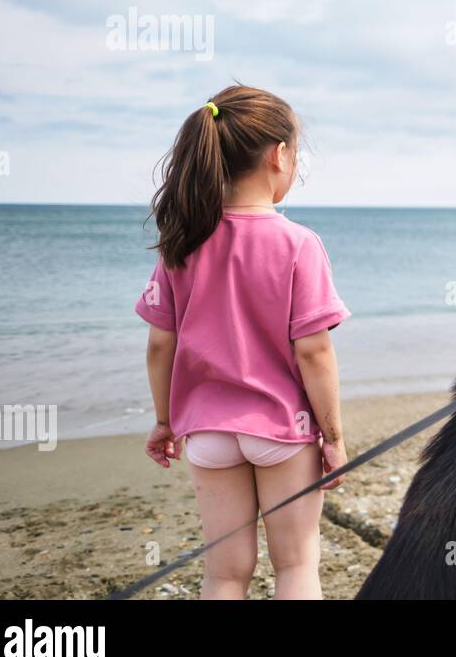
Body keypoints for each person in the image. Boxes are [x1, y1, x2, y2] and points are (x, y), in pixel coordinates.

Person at [135, 84, 350, 599]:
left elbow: (160, 347)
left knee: (225, 572)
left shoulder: (181, 244)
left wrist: (165, 419)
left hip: (208, 431)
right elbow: (314, 352)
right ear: (278, 156)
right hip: (282, 429)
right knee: (296, 565)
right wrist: (334, 437)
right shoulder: (298, 244)